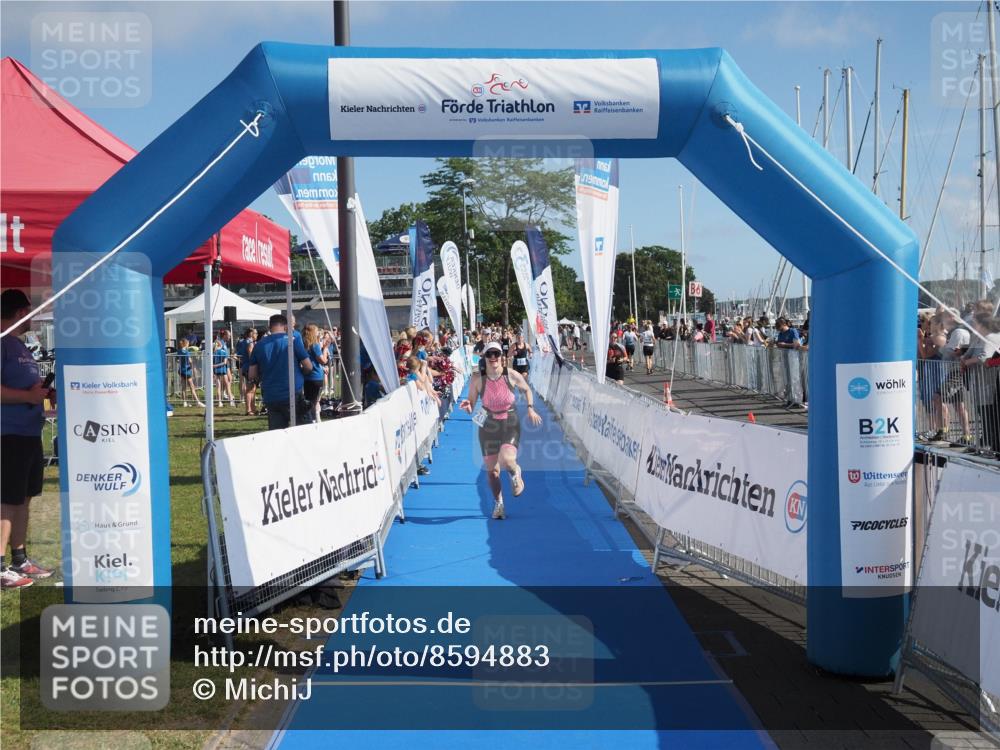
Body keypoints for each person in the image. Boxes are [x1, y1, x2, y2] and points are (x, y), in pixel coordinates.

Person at [1, 289, 54, 588]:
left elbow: (25, 388)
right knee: (6, 499)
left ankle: (19, 559)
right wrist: (27, 395)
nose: (34, 317)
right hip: (7, 434)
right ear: (22, 312)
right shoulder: (3, 344)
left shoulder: (19, 345)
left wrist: (42, 393)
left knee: (24, 497)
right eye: (31, 312)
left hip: (29, 432)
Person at [460, 342, 542, 520]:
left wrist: (530, 408)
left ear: (501, 356)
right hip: (488, 424)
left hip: (509, 421)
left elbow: (527, 389)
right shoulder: (478, 380)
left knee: (507, 459)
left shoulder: (511, 375)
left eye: (496, 353)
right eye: (489, 354)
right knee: (493, 472)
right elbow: (472, 403)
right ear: (484, 357)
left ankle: (515, 472)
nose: (493, 358)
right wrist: (468, 405)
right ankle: (499, 504)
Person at [248, 314, 313, 430]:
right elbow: (308, 366)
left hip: (271, 395)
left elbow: (252, 374)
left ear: (269, 326)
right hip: (292, 394)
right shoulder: (292, 340)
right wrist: (300, 373)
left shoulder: (259, 345)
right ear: (286, 326)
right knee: (303, 432)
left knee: (276, 435)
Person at [302, 324, 328, 423]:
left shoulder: (304, 345)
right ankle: (314, 419)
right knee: (315, 400)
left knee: (310, 399)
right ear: (313, 333)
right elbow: (323, 360)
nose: (319, 333)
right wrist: (325, 348)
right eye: (317, 331)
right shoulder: (315, 345)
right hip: (316, 376)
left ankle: (314, 418)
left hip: (307, 376)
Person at [235, 328, 258, 415]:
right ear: (251, 334)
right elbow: (251, 356)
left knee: (253, 389)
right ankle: (248, 410)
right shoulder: (249, 343)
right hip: (250, 368)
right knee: (250, 389)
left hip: (246, 366)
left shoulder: (245, 342)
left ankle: (253, 408)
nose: (257, 335)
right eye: (256, 333)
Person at [176, 338, 203, 408]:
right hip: (187, 371)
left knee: (183, 387)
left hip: (181, 370)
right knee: (192, 387)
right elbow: (190, 361)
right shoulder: (187, 352)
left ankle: (184, 402)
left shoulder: (179, 351)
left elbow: (177, 360)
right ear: (186, 344)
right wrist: (191, 367)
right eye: (188, 344)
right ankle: (197, 402)